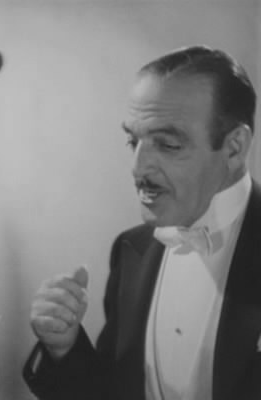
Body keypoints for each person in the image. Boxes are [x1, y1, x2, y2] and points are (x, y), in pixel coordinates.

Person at [23, 46, 260, 400]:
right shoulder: (131, 250)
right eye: (133, 140)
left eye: (167, 144)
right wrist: (64, 346)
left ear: (235, 148)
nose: (138, 168)